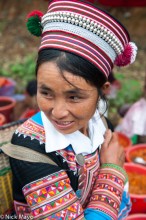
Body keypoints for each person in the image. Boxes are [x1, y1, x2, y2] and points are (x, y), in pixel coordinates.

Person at [9, 0, 137, 219]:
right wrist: (112, 171)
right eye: (46, 93)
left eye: (74, 96)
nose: (58, 112)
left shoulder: (100, 125)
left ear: (102, 90)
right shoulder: (30, 149)